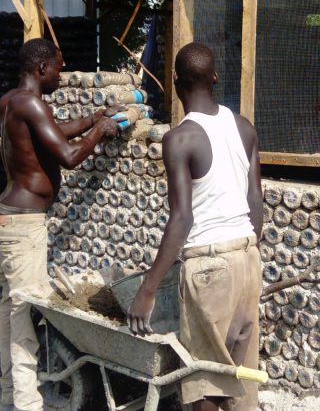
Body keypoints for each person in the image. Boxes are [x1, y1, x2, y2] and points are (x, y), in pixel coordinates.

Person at [128, 42, 264, 411]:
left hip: (210, 268)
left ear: (175, 81)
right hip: (248, 258)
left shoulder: (179, 139)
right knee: (240, 378)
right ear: (215, 77)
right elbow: (255, 203)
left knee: (204, 380)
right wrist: (245, 256)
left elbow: (182, 217)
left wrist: (148, 289)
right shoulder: (244, 128)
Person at [0, 38, 125, 411]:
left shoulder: (11, 101)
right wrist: (101, 132)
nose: (62, 75)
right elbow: (67, 156)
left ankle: (8, 396)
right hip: (23, 225)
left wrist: (94, 119)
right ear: (41, 68)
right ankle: (26, 404)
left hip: (10, 219)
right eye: (59, 67)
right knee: (24, 314)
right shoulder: (32, 104)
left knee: (11, 308)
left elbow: (51, 130)